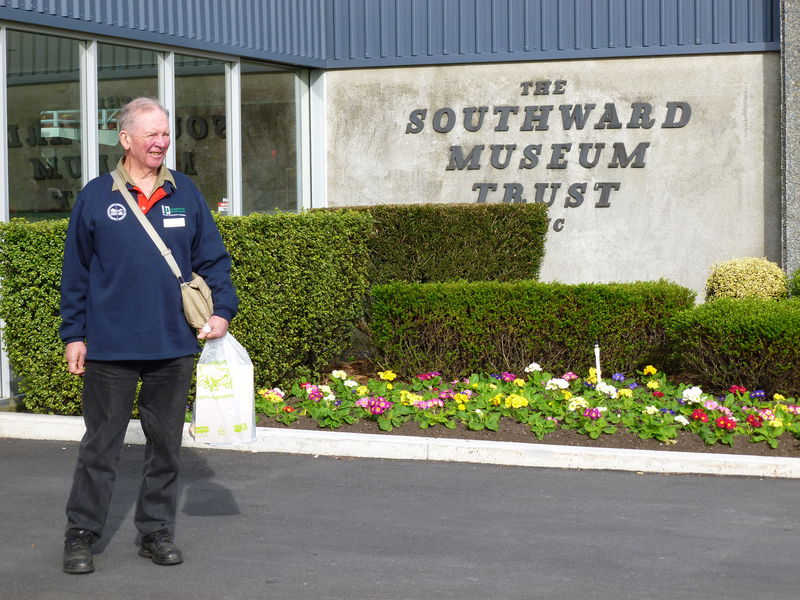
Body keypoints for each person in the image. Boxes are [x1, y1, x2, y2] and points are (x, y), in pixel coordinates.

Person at [59, 97, 238, 574]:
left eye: (165, 134)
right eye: (152, 134)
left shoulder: (185, 193)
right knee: (101, 445)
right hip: (111, 348)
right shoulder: (96, 196)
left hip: (173, 345)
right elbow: (75, 272)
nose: (161, 142)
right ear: (126, 139)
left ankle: (155, 531)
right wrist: (74, 334)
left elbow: (213, 260)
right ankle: (82, 533)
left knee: (166, 445)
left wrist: (222, 310)